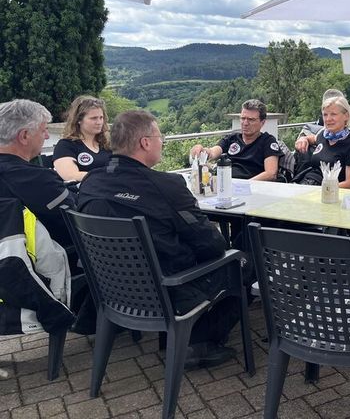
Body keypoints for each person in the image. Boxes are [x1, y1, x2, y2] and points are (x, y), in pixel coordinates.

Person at [78, 110, 239, 368]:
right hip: (167, 290)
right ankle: (197, 342)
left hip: (112, 291)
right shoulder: (167, 186)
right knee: (242, 263)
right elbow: (212, 245)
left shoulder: (90, 182)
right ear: (145, 142)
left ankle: (182, 336)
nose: (162, 142)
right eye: (159, 137)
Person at [0, 99, 75, 250]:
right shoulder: (37, 179)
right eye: (44, 130)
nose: (47, 136)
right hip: (44, 259)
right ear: (24, 136)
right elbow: (78, 221)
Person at [190, 99, 281, 181]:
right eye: (243, 118)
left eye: (251, 119)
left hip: (251, 187)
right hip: (224, 183)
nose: (245, 123)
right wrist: (202, 151)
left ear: (262, 122)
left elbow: (271, 173)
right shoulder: (232, 139)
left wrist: (244, 185)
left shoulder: (268, 142)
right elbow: (213, 152)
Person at [298, 95, 350, 190]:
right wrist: (303, 139)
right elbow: (313, 138)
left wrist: (321, 190)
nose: (328, 119)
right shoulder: (324, 135)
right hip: (310, 183)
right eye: (325, 115)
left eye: (333, 114)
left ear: (346, 116)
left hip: (331, 192)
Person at [53, 96, 112, 182]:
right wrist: (105, 178)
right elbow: (70, 175)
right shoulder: (66, 145)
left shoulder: (107, 144)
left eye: (101, 118)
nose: (99, 122)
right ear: (79, 120)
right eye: (94, 118)